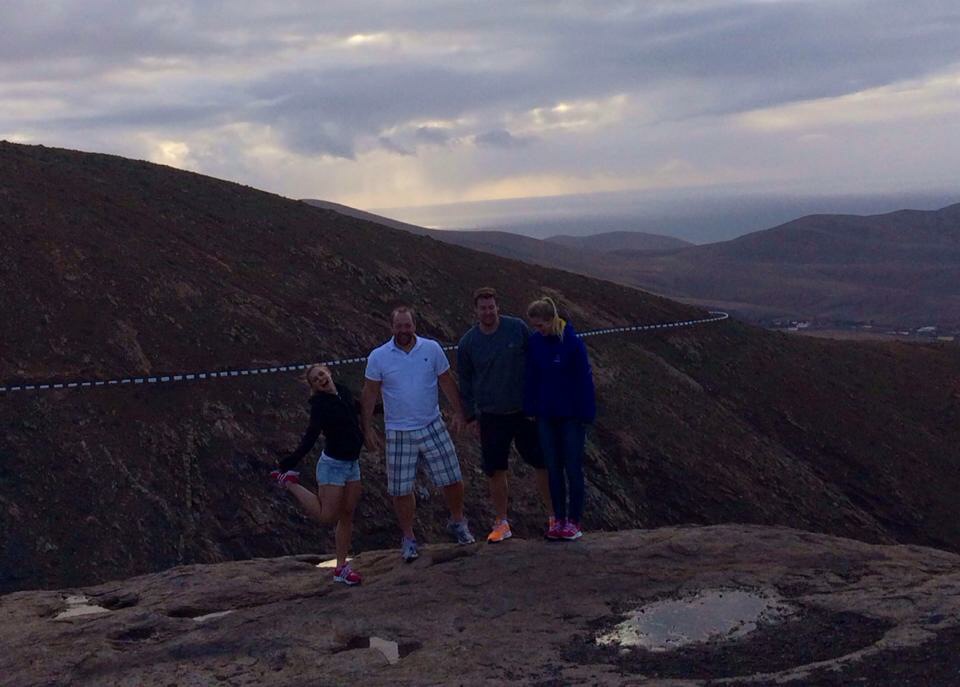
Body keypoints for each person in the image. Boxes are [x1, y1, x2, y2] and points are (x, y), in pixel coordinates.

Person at [361, 305, 475, 562]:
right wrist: (366, 428)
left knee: (452, 477)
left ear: (414, 325)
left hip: (432, 424)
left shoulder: (432, 349)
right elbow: (369, 392)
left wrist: (460, 413)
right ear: (391, 327)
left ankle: (458, 521)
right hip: (398, 431)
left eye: (407, 325)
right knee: (401, 488)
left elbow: (447, 381)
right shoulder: (378, 357)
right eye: (399, 326)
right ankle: (409, 537)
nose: (404, 330)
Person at [458, 287, 553, 543]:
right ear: (476, 311)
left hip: (525, 412)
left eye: (491, 307)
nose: (488, 312)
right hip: (491, 415)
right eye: (483, 308)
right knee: (495, 469)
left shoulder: (517, 328)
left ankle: (555, 517)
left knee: (543, 463)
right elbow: (465, 382)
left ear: (497, 307)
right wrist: (470, 416)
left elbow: (537, 360)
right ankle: (502, 522)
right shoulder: (468, 343)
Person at [271, 363, 364, 585]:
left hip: (352, 463)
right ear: (314, 386)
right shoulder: (320, 406)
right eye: (315, 379)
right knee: (327, 516)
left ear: (329, 372)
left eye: (321, 374)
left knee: (347, 514)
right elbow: (311, 436)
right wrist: (290, 461)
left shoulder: (343, 391)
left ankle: (341, 568)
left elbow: (358, 409)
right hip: (333, 466)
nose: (321, 379)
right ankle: (290, 483)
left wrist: (388, 407)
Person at [524, 296, 596, 541]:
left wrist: (586, 413)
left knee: (572, 468)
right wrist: (530, 407)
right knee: (553, 469)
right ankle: (559, 520)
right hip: (546, 415)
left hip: (571, 416)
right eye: (534, 326)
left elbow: (584, 381)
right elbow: (531, 377)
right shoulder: (535, 343)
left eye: (540, 325)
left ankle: (574, 521)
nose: (538, 330)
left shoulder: (572, 343)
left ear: (550, 319)